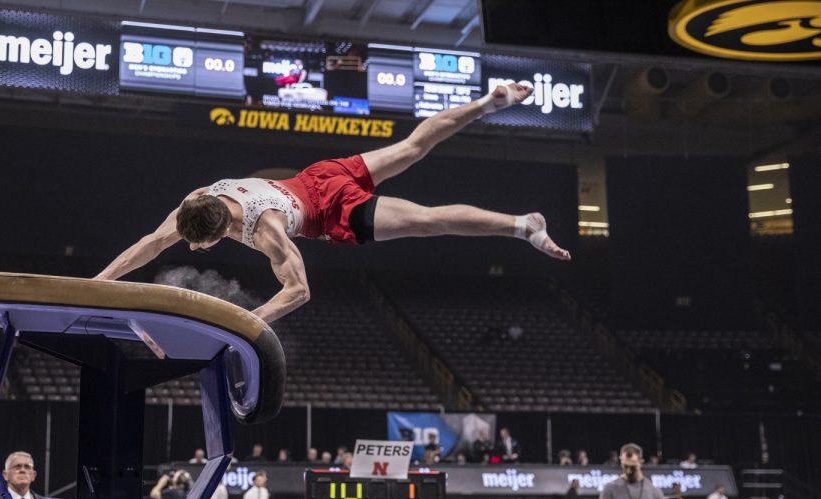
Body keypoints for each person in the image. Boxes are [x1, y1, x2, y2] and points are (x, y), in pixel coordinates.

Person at [95, 83, 571, 323]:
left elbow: (299, 292)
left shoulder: (267, 230)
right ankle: (488, 103)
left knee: (426, 221)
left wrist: (245, 323)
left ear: (223, 228)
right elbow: (150, 244)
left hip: (330, 209)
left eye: (206, 244)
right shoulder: (196, 203)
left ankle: (520, 224)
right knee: (410, 147)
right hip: (318, 175)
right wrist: (98, 285)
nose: (196, 250)